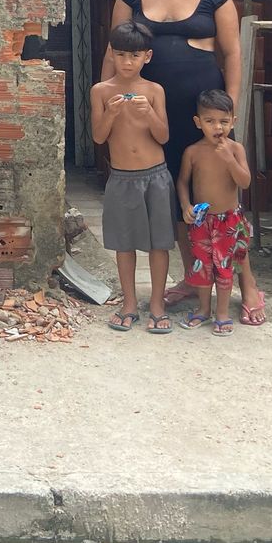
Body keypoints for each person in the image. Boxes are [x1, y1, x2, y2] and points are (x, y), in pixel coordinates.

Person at [102, 0, 266, 325]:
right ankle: (197, 280)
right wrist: (108, 104)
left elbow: (232, 54)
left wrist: (230, 111)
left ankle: (247, 284)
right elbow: (113, 53)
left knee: (223, 197)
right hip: (150, 114)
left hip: (204, 111)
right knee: (177, 196)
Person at [90, 21, 175, 334]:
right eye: (122, 55)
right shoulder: (101, 91)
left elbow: (163, 136)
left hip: (155, 176)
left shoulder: (154, 91)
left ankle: (156, 304)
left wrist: (149, 114)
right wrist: (111, 114)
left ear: (147, 57)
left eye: (134, 56)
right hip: (122, 177)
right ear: (112, 54)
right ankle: (129, 303)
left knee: (158, 244)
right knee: (123, 244)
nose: (127, 62)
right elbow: (99, 138)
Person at [177, 89, 254, 336]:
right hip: (202, 221)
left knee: (225, 268)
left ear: (233, 121)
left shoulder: (236, 149)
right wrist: (185, 205)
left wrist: (230, 160)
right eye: (210, 121)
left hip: (228, 221)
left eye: (223, 121)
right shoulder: (193, 152)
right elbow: (182, 182)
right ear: (198, 123)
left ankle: (222, 313)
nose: (217, 127)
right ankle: (203, 309)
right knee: (202, 268)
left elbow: (245, 182)